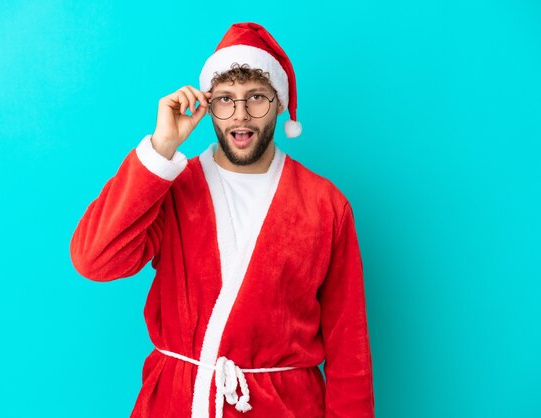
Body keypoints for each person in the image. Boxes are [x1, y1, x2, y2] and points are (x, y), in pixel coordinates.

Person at [70, 22, 375, 418]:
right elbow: (95, 259)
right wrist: (161, 148)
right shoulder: (173, 186)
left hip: (285, 407)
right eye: (226, 100)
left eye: (256, 99)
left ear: (279, 103)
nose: (241, 116)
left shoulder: (325, 205)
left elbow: (348, 347)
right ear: (208, 104)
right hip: (176, 404)